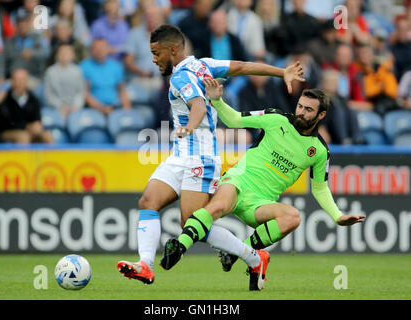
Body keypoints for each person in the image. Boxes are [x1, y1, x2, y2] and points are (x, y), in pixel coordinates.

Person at [116, 24, 305, 287]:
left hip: (201, 157)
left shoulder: (180, 77)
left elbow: (198, 106)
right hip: (180, 154)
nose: (154, 59)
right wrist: (280, 71)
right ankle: (145, 265)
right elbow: (242, 67)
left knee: (191, 223)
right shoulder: (203, 65)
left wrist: (190, 126)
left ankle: (253, 258)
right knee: (148, 201)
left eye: (156, 53)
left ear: (173, 50)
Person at [160, 78, 365, 290]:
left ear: (321, 115)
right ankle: (179, 247)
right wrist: (218, 101)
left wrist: (338, 216)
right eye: (300, 106)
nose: (301, 112)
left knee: (292, 217)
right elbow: (235, 120)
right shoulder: (275, 118)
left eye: (309, 110)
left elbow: (320, 188)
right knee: (218, 207)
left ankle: (239, 252)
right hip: (238, 181)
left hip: (260, 203)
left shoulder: (320, 151)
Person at [0, 68, 54, 144]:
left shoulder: (33, 98)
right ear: (12, 81)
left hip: (29, 131)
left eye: (22, 79)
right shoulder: (4, 98)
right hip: (8, 131)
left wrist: (37, 126)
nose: (20, 83)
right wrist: (26, 126)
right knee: (23, 136)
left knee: (47, 136)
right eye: (17, 79)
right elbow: (5, 123)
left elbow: (37, 119)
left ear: (26, 81)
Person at [80, 38, 132, 114]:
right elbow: (85, 93)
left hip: (115, 107)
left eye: (102, 48)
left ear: (108, 49)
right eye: (96, 48)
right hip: (93, 110)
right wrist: (101, 108)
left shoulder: (116, 66)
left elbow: (122, 90)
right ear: (91, 50)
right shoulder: (84, 67)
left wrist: (127, 109)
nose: (100, 51)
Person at [44, 45, 85, 119]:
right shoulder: (50, 71)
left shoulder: (78, 71)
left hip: (75, 108)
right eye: (62, 53)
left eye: (67, 53)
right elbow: (48, 95)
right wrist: (60, 106)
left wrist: (75, 106)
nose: (64, 55)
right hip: (55, 108)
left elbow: (80, 93)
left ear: (72, 56)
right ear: (57, 55)